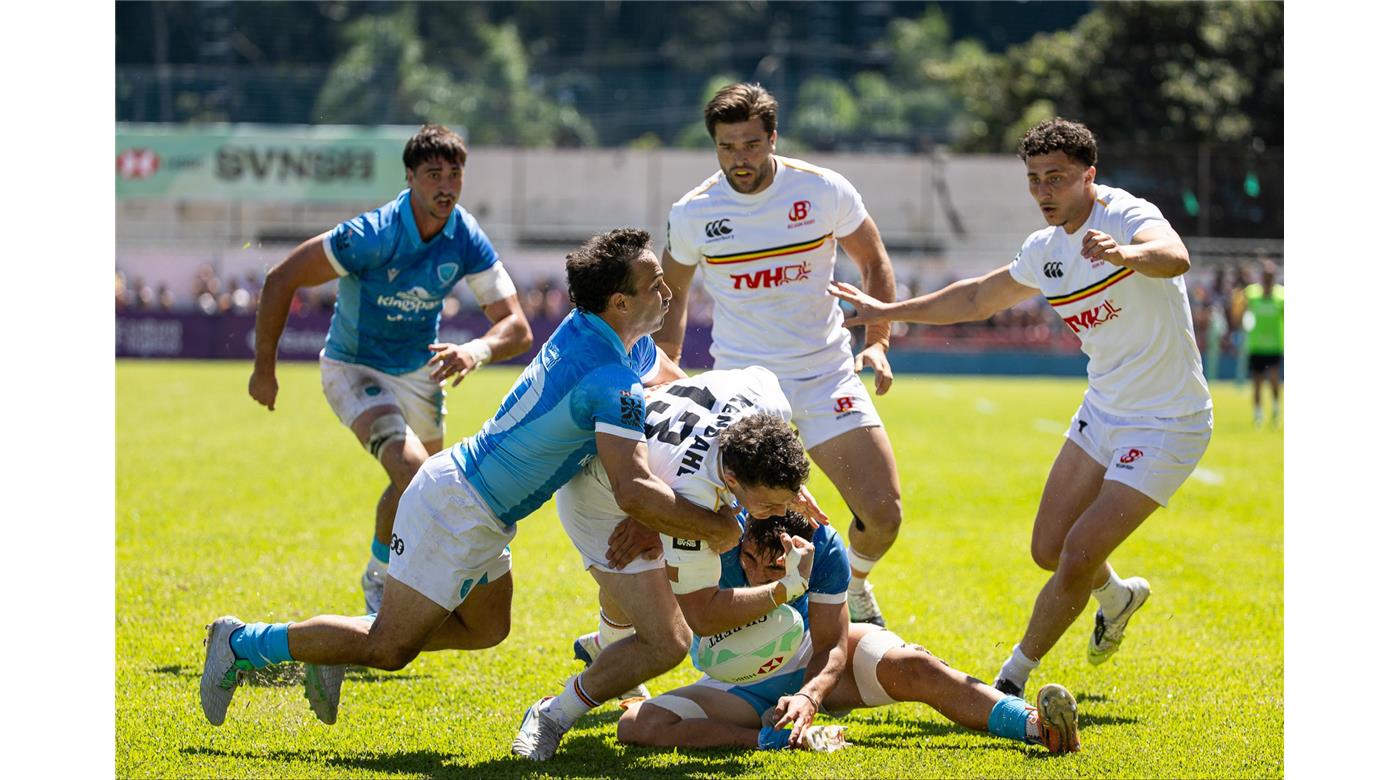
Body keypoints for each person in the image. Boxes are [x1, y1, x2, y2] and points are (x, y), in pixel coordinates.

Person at [201, 228, 743, 730]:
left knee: (486, 628)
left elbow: (681, 393)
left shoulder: (602, 332)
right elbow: (634, 490)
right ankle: (241, 642)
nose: (668, 293)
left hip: (478, 506)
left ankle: (336, 644)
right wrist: (722, 527)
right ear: (620, 302)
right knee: (388, 648)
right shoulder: (609, 378)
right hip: (455, 504)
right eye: (655, 285)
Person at [831, 118, 1212, 698]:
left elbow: (1174, 255)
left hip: (1169, 422)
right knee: (1048, 549)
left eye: (1056, 178)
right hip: (1104, 410)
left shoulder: (1124, 215)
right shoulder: (1045, 250)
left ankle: (1010, 680)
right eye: (1034, 179)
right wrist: (890, 309)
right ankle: (1117, 597)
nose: (1043, 191)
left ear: (1089, 175)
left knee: (1079, 552)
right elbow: (976, 297)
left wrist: (1128, 253)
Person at [247, 125, 534, 613]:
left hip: (421, 375)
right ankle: (395, 594)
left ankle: (378, 576)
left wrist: (474, 351)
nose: (446, 186)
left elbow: (518, 327)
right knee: (415, 472)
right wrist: (264, 369)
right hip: (355, 367)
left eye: (455, 174)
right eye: (433, 174)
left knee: (417, 483)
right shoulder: (372, 235)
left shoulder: (465, 235)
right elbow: (282, 277)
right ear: (410, 177)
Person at [658, 82, 903, 626]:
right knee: (730, 527)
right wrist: (664, 374)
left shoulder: (822, 189)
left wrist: (878, 342)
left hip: (825, 375)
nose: (738, 159)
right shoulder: (694, 212)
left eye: (750, 145)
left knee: (883, 514)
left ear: (773, 138)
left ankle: (855, 585)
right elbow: (670, 296)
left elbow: (874, 262)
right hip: (743, 390)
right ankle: (682, 629)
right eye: (726, 147)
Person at [514, 367, 828, 760]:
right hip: (597, 499)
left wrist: (787, 489)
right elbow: (703, 615)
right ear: (732, 479)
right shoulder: (694, 495)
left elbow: (757, 386)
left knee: (649, 584)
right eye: (769, 503)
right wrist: (787, 587)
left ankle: (609, 645)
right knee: (666, 641)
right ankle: (552, 714)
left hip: (645, 466)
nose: (781, 513)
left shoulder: (768, 401)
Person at [616, 511, 1081, 754]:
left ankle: (1037, 726)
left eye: (774, 567)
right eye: (749, 559)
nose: (757, 574)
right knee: (638, 724)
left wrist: (809, 696)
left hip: (813, 657)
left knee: (917, 667)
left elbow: (832, 645)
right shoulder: (715, 536)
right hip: (738, 684)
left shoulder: (823, 546)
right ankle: (769, 738)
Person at [1234, 259, 1284, 427]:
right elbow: (1240, 310)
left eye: (1271, 275)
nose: (1268, 278)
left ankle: (1276, 411)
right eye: (1266, 275)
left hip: (1275, 345)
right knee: (1257, 383)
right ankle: (1258, 415)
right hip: (1256, 345)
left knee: (1275, 381)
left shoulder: (1282, 296)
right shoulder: (1252, 294)